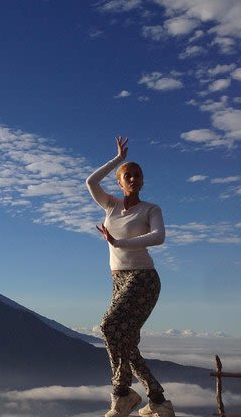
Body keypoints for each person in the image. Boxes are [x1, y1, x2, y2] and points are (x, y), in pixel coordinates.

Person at [86, 137, 175, 417]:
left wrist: (118, 243)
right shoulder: (110, 205)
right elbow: (90, 182)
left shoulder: (151, 209)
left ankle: (122, 394)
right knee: (125, 341)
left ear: (143, 181)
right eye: (128, 175)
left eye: (137, 175)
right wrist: (117, 159)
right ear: (120, 182)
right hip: (118, 281)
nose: (133, 178)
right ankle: (158, 399)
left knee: (109, 326)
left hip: (144, 279)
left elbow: (159, 237)